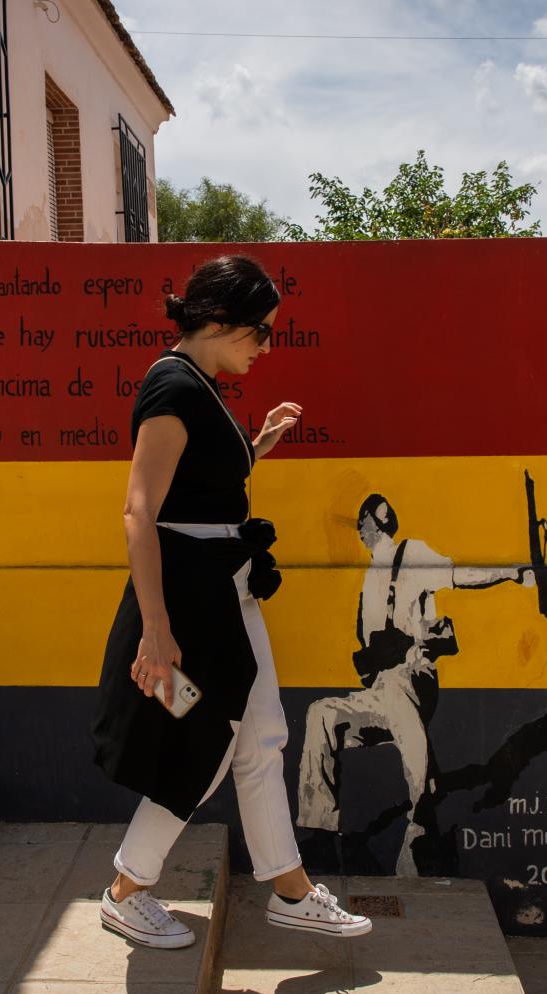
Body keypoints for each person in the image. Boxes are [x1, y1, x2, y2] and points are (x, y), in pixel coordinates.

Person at [92, 255, 371, 949]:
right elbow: (139, 511)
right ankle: (128, 889)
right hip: (190, 608)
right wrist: (155, 632)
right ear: (219, 321)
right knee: (205, 739)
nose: (269, 346)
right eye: (262, 331)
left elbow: (202, 488)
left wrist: (258, 446)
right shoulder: (173, 386)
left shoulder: (201, 386)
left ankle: (290, 888)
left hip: (224, 594)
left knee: (262, 736)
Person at [295, 493, 534, 875]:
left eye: (363, 520)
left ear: (380, 519)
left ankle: (421, 829)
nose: (358, 528)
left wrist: (511, 572)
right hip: (379, 688)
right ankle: (317, 832)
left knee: (408, 730)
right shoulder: (370, 577)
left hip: (410, 677)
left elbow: (460, 575)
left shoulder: (410, 554)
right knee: (321, 714)